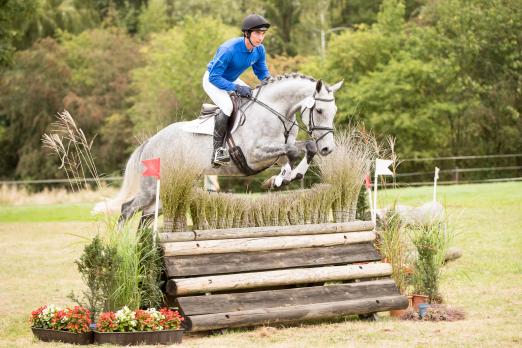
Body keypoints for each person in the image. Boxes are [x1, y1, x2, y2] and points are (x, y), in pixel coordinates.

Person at [203, 14, 271, 167]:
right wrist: (236, 88)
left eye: (263, 34)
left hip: (231, 79)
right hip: (212, 80)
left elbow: (261, 70)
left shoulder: (259, 50)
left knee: (252, 98)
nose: (261, 38)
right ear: (247, 33)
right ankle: (218, 152)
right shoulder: (229, 49)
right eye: (257, 33)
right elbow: (214, 77)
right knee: (227, 106)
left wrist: (269, 81)